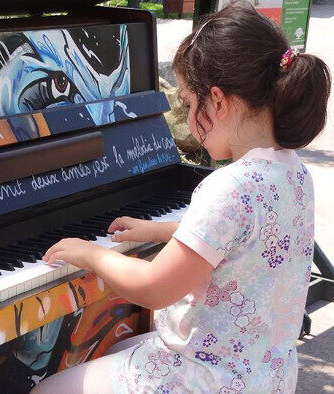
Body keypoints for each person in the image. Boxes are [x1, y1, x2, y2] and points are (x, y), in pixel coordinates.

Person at [31, 2, 330, 393]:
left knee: (47, 390)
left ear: (218, 101)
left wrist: (90, 254)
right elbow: (248, 237)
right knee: (120, 343)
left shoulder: (230, 187)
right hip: (263, 373)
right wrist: (163, 230)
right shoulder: (294, 173)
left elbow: (155, 287)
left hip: (204, 380)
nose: (188, 120)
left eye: (189, 104)